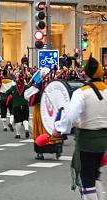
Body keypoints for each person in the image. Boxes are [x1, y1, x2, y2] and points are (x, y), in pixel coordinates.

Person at [54, 55, 107, 200]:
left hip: (87, 141)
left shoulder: (81, 93)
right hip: (104, 141)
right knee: (95, 174)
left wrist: (59, 129)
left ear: (86, 73)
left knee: (86, 178)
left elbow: (71, 116)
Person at [25, 67, 63, 160]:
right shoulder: (54, 84)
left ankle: (40, 152)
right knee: (52, 128)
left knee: (39, 129)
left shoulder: (38, 85)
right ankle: (57, 148)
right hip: (51, 110)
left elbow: (26, 95)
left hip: (40, 108)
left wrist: (31, 86)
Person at [6, 71, 30, 139]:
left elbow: (7, 93)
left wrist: (12, 94)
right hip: (25, 104)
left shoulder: (14, 87)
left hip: (16, 105)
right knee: (25, 118)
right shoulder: (26, 87)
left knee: (18, 120)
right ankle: (26, 129)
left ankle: (18, 134)